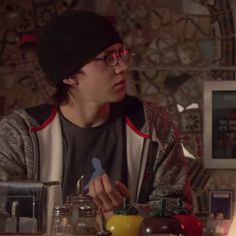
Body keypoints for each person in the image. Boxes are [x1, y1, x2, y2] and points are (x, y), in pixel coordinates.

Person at [0, 10, 192, 214]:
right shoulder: (20, 134)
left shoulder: (153, 125)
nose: (122, 67)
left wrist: (128, 214)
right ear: (69, 76)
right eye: (108, 58)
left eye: (121, 54)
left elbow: (179, 211)